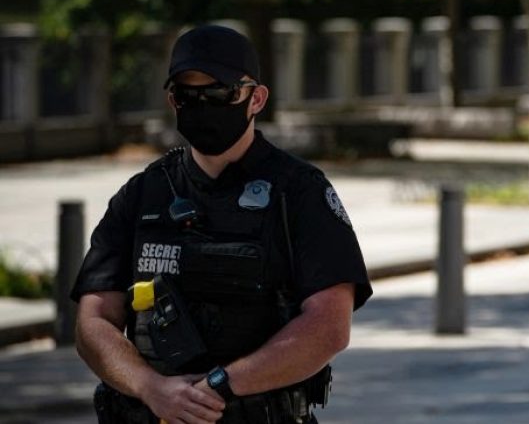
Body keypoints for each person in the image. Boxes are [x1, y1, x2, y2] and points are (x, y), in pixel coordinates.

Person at [71, 25, 373, 424]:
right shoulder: (142, 195)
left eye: (218, 93)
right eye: (186, 95)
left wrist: (218, 386)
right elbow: (93, 322)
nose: (202, 105)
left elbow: (330, 326)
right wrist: (152, 388)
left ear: (256, 98)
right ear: (171, 99)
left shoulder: (299, 193)